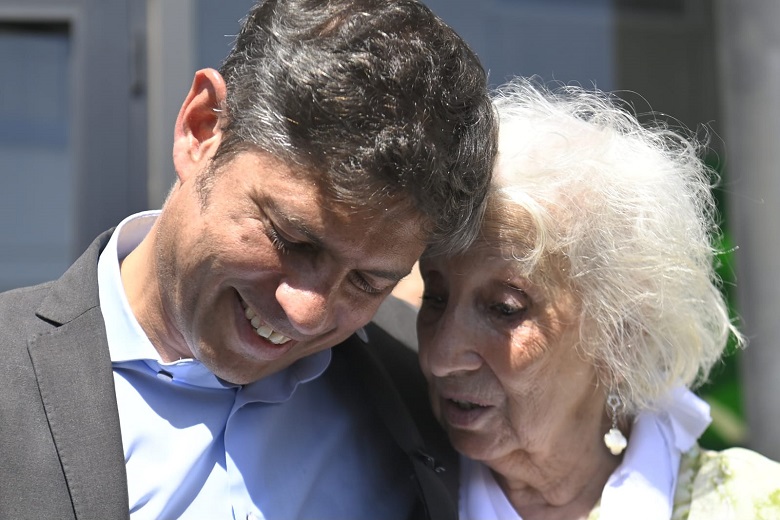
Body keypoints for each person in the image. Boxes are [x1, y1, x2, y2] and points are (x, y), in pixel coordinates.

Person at [0, 1, 496, 518]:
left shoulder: (429, 380)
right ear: (202, 128)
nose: (306, 313)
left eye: (367, 282)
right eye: (292, 240)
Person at [415, 78, 780, 520]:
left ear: (622, 336)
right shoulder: (382, 487)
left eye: (504, 309)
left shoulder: (756, 504)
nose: (442, 356)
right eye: (436, 297)